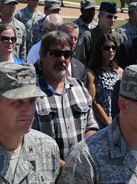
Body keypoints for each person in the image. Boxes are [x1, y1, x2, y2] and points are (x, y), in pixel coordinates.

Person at [34, 31, 98, 162]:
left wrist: (80, 156)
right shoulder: (32, 93)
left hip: (80, 170)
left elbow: (91, 126)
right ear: (42, 56)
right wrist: (64, 166)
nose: (62, 59)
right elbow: (28, 139)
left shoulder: (79, 87)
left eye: (67, 54)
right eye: (56, 53)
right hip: (46, 174)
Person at [84, 32, 123, 127]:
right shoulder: (91, 73)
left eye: (114, 48)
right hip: (100, 123)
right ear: (99, 49)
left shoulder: (120, 71)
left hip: (119, 121)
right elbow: (93, 102)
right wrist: (108, 122)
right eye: (106, 48)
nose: (111, 51)